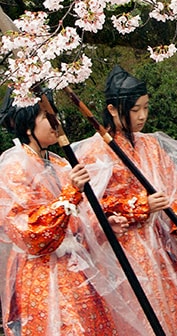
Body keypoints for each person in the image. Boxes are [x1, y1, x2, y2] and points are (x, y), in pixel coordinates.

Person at [75, 66, 177, 336]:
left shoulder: (151, 145)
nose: (142, 116)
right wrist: (139, 205)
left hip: (163, 242)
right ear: (112, 110)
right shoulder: (95, 152)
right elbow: (91, 209)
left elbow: (174, 190)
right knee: (147, 316)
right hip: (128, 250)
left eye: (145, 107)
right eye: (135, 110)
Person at [0, 91, 136, 335]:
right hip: (43, 273)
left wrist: (102, 227)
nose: (56, 121)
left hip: (77, 270)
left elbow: (77, 223)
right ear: (27, 125)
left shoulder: (60, 164)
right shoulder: (13, 167)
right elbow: (29, 233)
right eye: (46, 116)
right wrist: (70, 193)